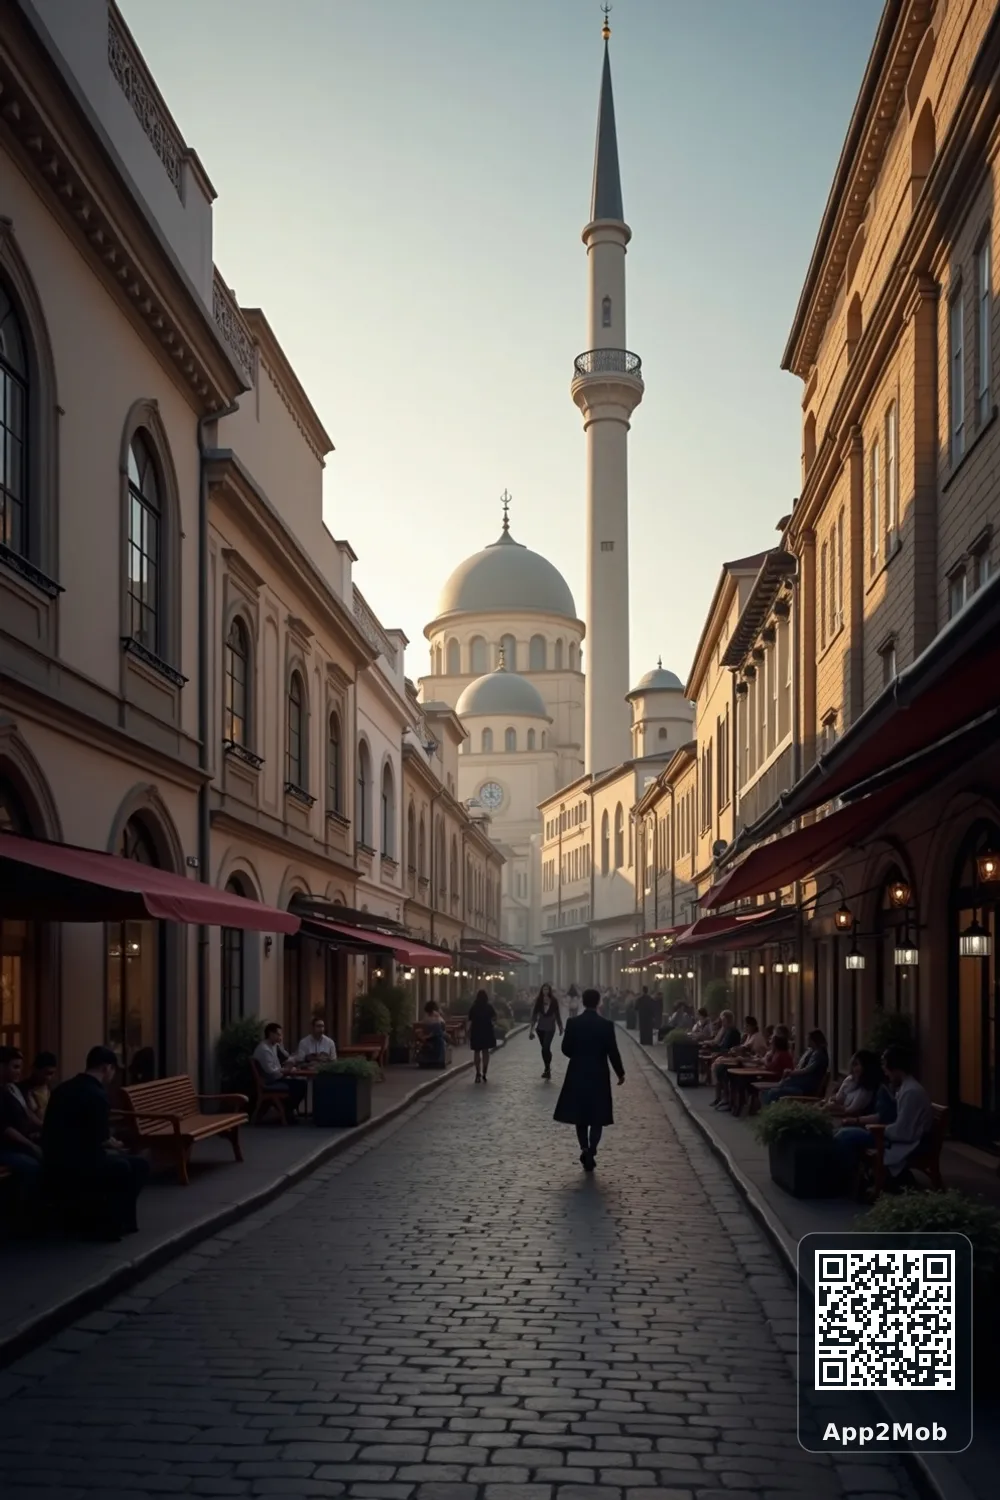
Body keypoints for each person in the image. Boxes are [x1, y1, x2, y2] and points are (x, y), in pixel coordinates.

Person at [42, 1045, 150, 1241]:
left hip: (55, 1157)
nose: (112, 1076)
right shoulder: (97, 1095)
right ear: (106, 1068)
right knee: (130, 1165)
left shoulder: (63, 1089)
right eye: (113, 1071)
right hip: (80, 1160)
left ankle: (118, 1220)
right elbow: (98, 1138)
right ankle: (113, 1223)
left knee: (131, 1164)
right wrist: (114, 1144)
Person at [832, 1047, 934, 1190]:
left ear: (896, 1067)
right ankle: (852, 1179)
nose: (885, 1072)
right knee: (843, 1133)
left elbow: (903, 1131)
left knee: (845, 1136)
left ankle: (850, 1181)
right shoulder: (906, 1088)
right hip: (890, 1136)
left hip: (897, 1141)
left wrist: (877, 1130)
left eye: (886, 1067)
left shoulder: (910, 1092)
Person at [553, 987, 625, 1172]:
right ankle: (592, 1150)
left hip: (577, 1071)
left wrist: (578, 1055)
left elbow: (565, 1049)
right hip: (599, 1073)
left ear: (583, 1002)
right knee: (597, 1116)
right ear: (599, 1002)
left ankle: (584, 1148)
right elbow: (613, 1051)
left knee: (580, 1115)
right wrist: (620, 1072)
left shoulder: (573, 1023)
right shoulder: (606, 1025)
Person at [0, 1047, 44, 1206]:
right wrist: (31, 1145)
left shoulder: (12, 1088)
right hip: (5, 1146)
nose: (19, 1072)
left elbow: (27, 1112)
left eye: (20, 1067)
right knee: (32, 1166)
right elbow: (5, 1128)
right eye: (15, 1067)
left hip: (20, 1141)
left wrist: (45, 1127)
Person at [253, 1023, 307, 1122]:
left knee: (300, 1083)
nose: (280, 1037)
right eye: (278, 1034)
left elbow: (286, 1056)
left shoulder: (274, 1046)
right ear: (270, 1034)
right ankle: (288, 1112)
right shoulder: (264, 1049)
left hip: (276, 1077)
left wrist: (281, 1048)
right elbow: (271, 1071)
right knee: (299, 1086)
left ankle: (288, 1111)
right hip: (270, 1081)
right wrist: (286, 1071)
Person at [760, 1028, 830, 1104]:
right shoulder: (811, 1051)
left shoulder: (819, 1054)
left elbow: (807, 1070)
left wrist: (791, 1073)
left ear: (814, 1041)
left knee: (773, 1093)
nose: (807, 1042)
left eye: (809, 1040)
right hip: (800, 1084)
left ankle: (769, 1113)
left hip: (805, 1087)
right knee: (768, 1092)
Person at [823, 1051, 881, 1119]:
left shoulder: (866, 1090)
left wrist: (832, 1106)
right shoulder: (850, 1080)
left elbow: (851, 1111)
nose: (853, 1069)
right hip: (837, 1114)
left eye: (856, 1064)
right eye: (853, 1065)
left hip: (846, 1120)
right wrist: (831, 1102)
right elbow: (838, 1098)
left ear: (866, 1066)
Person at [529, 984, 563, 1079]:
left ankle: (547, 1069)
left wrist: (560, 1026)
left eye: (547, 989)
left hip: (550, 1027)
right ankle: (547, 1068)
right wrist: (531, 1030)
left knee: (546, 1047)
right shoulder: (539, 1000)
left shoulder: (554, 1001)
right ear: (541, 990)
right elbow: (535, 1015)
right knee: (544, 1048)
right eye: (544, 989)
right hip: (540, 1027)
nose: (545, 991)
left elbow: (557, 1014)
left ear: (549, 990)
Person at [468, 990, 497, 1083]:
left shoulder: (474, 1007)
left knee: (477, 1051)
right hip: (487, 1031)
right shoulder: (489, 1007)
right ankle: (484, 1071)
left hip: (476, 1031)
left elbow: (469, 1020)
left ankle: (477, 1072)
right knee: (485, 1051)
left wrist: (468, 1031)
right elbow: (495, 1017)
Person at [24, 1052, 58, 1120]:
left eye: (51, 1074)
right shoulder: (23, 1090)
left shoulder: (54, 1089)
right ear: (35, 1069)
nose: (48, 1078)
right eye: (46, 1073)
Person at [418, 1001, 448, 1068]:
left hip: (429, 1036)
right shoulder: (437, 1016)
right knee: (440, 1038)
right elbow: (443, 1025)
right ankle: (439, 1061)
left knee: (440, 1036)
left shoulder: (426, 1017)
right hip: (433, 1037)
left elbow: (423, 1025)